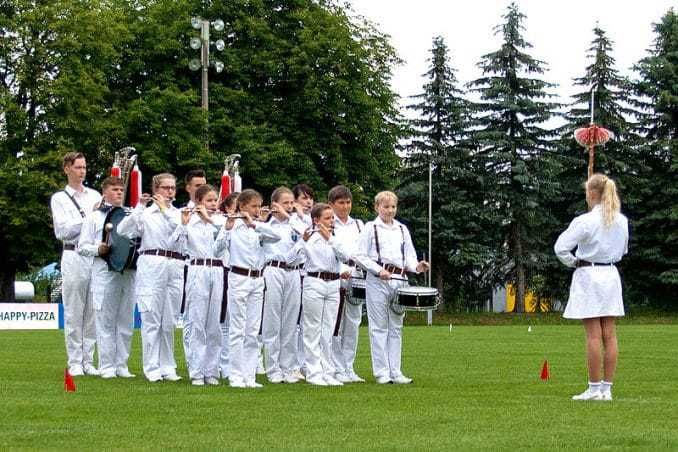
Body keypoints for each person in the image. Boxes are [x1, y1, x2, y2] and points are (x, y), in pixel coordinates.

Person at [554, 173, 629, 401]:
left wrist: (574, 262)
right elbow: (623, 250)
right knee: (610, 334)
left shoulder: (585, 221)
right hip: (610, 274)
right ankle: (606, 389)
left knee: (594, 336)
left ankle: (595, 388)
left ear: (592, 194)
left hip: (589, 274)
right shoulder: (622, 220)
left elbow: (561, 247)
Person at [355, 191, 429, 384]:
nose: (389, 210)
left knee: (396, 326)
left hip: (400, 279)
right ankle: (381, 372)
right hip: (378, 280)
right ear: (377, 207)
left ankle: (396, 371)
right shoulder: (370, 228)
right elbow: (360, 256)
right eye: (385, 206)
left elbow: (409, 255)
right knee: (379, 327)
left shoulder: (402, 229)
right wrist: (378, 270)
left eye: (393, 207)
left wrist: (417, 267)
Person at [117, 173, 184, 382]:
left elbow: (179, 228)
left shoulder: (178, 213)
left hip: (174, 263)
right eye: (165, 188)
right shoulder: (145, 213)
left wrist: (165, 209)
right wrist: (139, 207)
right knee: (151, 317)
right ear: (156, 190)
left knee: (169, 319)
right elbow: (122, 230)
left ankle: (168, 366)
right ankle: (152, 367)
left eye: (173, 188)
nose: (170, 192)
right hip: (152, 261)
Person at [214, 189, 281, 388]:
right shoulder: (231, 226)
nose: (257, 210)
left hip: (257, 279)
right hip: (238, 277)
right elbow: (216, 251)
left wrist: (255, 224)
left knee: (252, 330)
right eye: (253, 206)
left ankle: (249, 375)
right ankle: (235, 375)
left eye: (259, 206)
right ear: (242, 206)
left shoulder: (259, 226)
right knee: (237, 329)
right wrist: (226, 228)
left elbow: (277, 236)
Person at [77, 177, 136, 379]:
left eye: (121, 189)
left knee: (126, 320)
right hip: (103, 271)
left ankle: (122, 365)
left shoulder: (131, 214)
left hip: (127, 272)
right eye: (115, 189)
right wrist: (97, 249)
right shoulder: (93, 217)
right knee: (105, 321)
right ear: (104, 192)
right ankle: (107, 366)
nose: (119, 192)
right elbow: (82, 247)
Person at [50, 152, 102, 377]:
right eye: (78, 167)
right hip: (73, 255)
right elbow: (62, 231)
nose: (82, 171)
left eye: (84, 167)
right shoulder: (59, 198)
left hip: (93, 256)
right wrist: (88, 218)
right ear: (67, 169)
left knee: (92, 311)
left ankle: (89, 360)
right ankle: (74, 361)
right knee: (74, 310)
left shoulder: (95, 195)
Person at [171, 185, 226, 386]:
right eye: (209, 201)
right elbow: (176, 244)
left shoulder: (219, 221)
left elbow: (222, 245)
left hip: (217, 269)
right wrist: (184, 224)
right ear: (199, 201)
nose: (213, 204)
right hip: (198, 269)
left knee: (214, 324)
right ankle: (196, 371)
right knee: (197, 321)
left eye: (215, 201)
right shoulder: (189, 219)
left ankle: (211, 370)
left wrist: (209, 220)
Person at [298, 203, 350, 386]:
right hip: (315, 282)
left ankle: (328, 371)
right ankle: (313, 372)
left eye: (332, 218)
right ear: (316, 221)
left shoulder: (336, 238)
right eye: (327, 218)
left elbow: (347, 256)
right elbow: (293, 258)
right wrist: (302, 241)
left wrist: (331, 239)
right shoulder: (310, 239)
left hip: (334, 284)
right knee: (313, 330)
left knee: (328, 330)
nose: (331, 221)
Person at [261, 187, 307, 384]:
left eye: (291, 203)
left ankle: (288, 367)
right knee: (272, 320)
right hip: (274, 270)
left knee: (290, 322)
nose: (289, 207)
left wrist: (292, 218)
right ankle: (272, 368)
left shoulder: (296, 223)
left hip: (294, 272)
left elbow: (307, 236)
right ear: (275, 205)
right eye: (285, 203)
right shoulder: (266, 224)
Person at [328, 185, 366, 383]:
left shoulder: (359, 225)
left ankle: (349, 366)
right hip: (338, 275)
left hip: (357, 275)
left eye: (348, 202)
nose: (345, 206)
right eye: (340, 203)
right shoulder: (329, 224)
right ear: (331, 204)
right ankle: (336, 367)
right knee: (336, 324)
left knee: (353, 323)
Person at [179, 169, 207, 366]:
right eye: (197, 186)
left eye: (204, 186)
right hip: (190, 267)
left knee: (212, 321)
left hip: (212, 269)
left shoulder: (212, 212)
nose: (201, 190)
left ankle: (210, 363)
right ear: (188, 188)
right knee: (192, 318)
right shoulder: (183, 212)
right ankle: (192, 361)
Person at [291, 183, 315, 378]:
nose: (308, 202)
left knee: (306, 323)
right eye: (303, 198)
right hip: (294, 273)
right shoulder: (291, 219)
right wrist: (298, 215)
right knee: (293, 322)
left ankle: (304, 362)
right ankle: (293, 363)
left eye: (310, 198)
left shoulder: (312, 219)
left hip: (307, 274)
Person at [217, 192, 240, 380]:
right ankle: (224, 364)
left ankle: (238, 364)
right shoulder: (222, 222)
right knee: (224, 323)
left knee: (240, 324)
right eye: (236, 207)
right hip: (225, 271)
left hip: (244, 276)